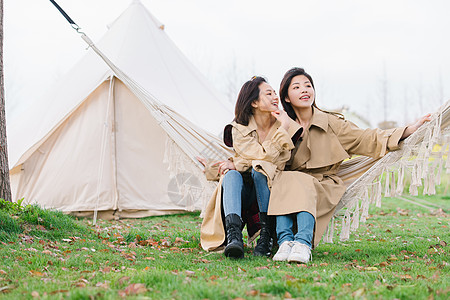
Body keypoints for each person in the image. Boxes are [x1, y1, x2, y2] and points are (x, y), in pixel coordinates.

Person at [269, 67, 431, 263]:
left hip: (323, 184)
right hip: (289, 186)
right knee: (285, 179)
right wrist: (286, 130)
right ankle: (285, 242)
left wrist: (409, 129)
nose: (304, 90)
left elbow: (366, 137)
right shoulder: (281, 124)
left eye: (308, 85)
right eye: (296, 87)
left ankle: (302, 243)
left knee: (299, 181)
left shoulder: (331, 122)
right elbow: (270, 158)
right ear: (286, 97)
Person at [200, 76, 302, 258]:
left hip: (272, 189)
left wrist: (237, 162)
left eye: (274, 93)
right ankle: (234, 236)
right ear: (254, 102)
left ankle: (267, 234)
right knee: (231, 175)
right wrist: (236, 165)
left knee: (258, 170)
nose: (274, 97)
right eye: (268, 93)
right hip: (244, 192)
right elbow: (260, 156)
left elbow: (273, 162)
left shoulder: (286, 125)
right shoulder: (238, 128)